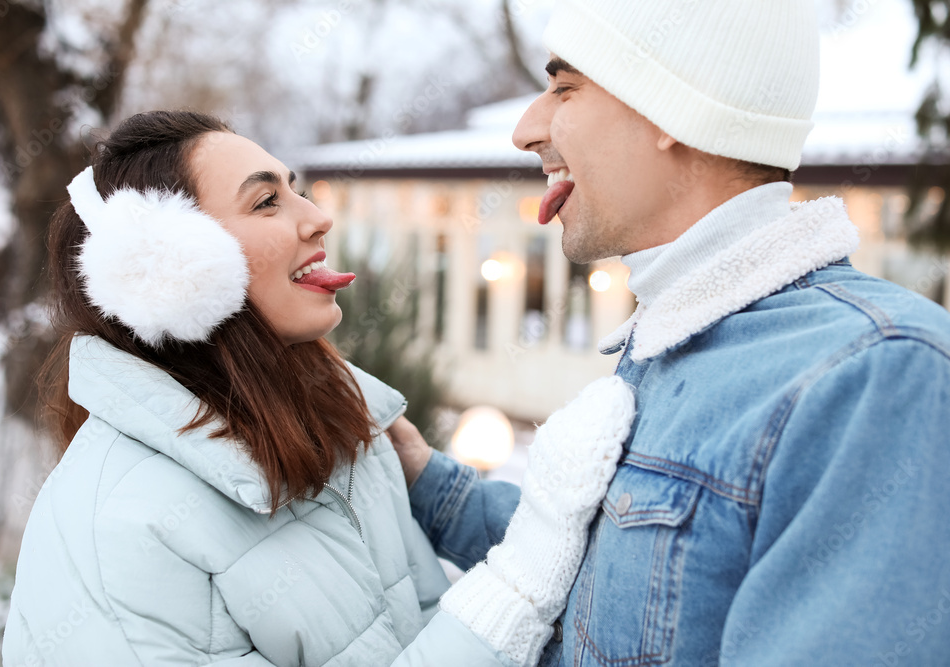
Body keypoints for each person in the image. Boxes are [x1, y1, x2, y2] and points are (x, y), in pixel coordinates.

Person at [392, 0, 950, 665]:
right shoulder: (677, 336)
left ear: (669, 108)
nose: (526, 128)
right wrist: (425, 477)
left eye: (564, 87)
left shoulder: (878, 373)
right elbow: (612, 574)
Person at [1, 109, 634, 667]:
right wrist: (515, 591)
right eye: (265, 202)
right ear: (166, 270)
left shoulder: (347, 430)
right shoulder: (117, 532)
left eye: (294, 190)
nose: (319, 217)